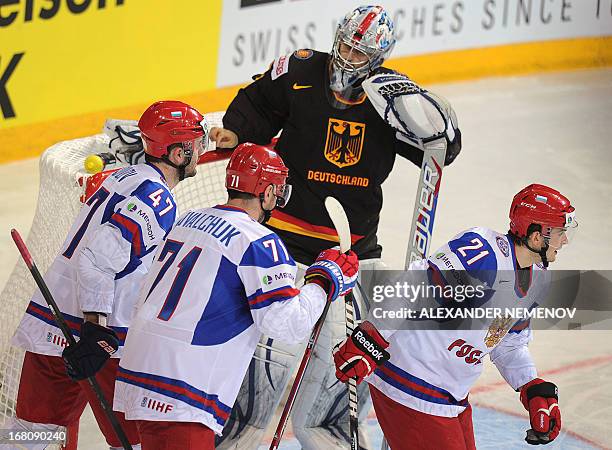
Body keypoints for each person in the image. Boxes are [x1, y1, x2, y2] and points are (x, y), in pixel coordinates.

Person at [209, 4, 462, 449]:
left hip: (355, 254)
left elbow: (439, 149)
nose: (348, 56)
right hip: (284, 243)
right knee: (264, 372)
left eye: (361, 53)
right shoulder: (301, 67)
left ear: (379, 58)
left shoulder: (392, 99)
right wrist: (236, 129)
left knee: (342, 378)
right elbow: (258, 101)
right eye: (346, 43)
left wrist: (439, 131)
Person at [112, 142, 359, 450]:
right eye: (278, 190)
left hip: (136, 372)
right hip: (183, 390)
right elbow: (286, 325)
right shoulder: (260, 242)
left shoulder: (186, 220)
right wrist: (325, 280)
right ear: (267, 192)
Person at [5, 100, 208, 450]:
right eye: (197, 143)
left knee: (29, 434)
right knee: (132, 443)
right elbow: (97, 260)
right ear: (177, 154)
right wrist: (95, 327)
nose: (202, 150)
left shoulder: (120, 176)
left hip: (52, 322)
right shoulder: (156, 199)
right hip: (101, 338)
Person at [332, 184, 576, 449]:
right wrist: (371, 336)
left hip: (451, 393)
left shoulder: (538, 278)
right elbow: (415, 286)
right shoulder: (483, 253)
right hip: (410, 380)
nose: (564, 241)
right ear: (537, 236)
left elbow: (508, 341)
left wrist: (531, 386)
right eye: (560, 233)